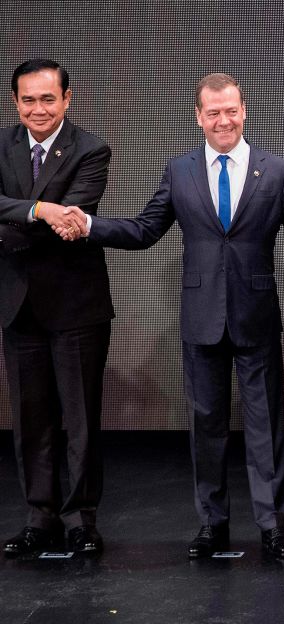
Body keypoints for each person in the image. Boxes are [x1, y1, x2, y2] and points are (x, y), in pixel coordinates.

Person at [64, 73, 284, 559]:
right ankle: (212, 524)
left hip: (256, 316)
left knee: (266, 428)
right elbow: (144, 229)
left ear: (245, 111)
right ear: (199, 117)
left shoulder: (275, 169)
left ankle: (273, 527)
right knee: (206, 426)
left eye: (232, 110)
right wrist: (90, 224)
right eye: (213, 112)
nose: (224, 120)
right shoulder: (180, 170)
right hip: (200, 318)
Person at [0, 59, 112, 556]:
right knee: (30, 417)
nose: (38, 109)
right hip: (17, 303)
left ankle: (80, 520)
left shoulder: (91, 149)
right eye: (28, 100)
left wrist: (15, 221)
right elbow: (53, 216)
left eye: (48, 99)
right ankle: (39, 516)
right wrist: (39, 210)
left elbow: (77, 217)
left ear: (68, 99)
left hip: (75, 305)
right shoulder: (1, 145)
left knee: (80, 417)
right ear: (15, 102)